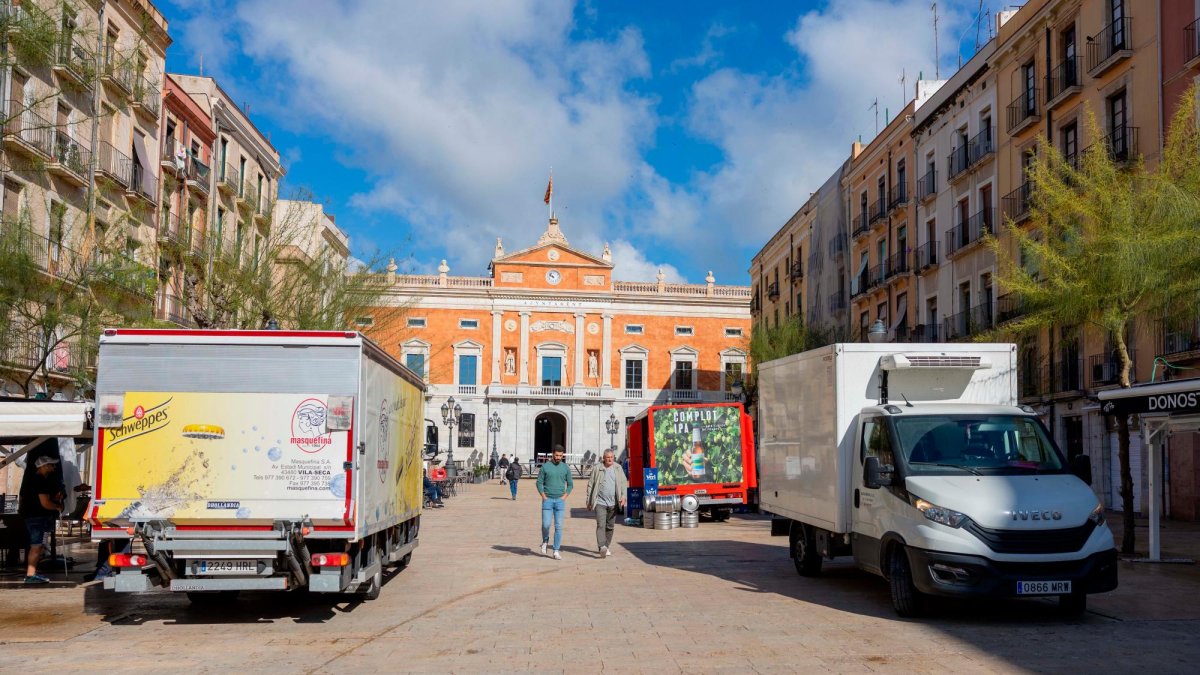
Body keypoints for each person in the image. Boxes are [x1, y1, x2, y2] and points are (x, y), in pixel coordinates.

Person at [19, 455, 64, 584]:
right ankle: (30, 575)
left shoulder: (31, 480)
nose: (54, 467)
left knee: (39, 546)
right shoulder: (40, 481)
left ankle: (33, 572)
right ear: (43, 466)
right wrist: (57, 506)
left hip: (32, 517)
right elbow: (45, 503)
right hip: (37, 518)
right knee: (36, 546)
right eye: (51, 465)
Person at [586, 449, 628, 558]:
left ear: (614, 458)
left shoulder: (618, 468)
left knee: (610, 526)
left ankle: (606, 546)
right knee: (601, 525)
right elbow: (590, 485)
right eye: (607, 457)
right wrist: (588, 500)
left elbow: (623, 484)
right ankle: (601, 547)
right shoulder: (597, 468)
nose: (610, 459)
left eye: (612, 457)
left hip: (613, 503)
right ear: (603, 458)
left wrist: (623, 496)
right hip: (600, 502)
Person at [536, 445, 573, 560]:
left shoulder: (565, 468)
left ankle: (556, 550)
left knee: (559, 526)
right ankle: (545, 540)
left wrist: (565, 496)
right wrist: (543, 495)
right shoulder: (545, 467)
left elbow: (571, 484)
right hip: (548, 500)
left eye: (560, 456)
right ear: (552, 454)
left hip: (560, 501)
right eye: (556, 455)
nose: (558, 458)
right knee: (546, 524)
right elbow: (539, 482)